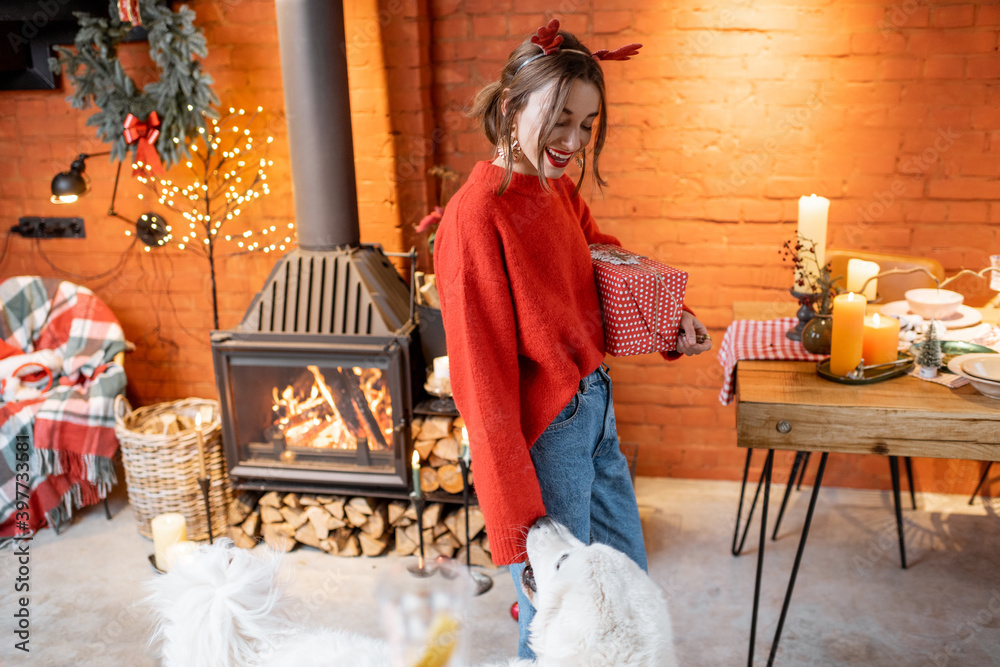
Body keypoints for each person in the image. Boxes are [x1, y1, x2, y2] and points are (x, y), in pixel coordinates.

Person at [432, 19, 712, 659]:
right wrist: (517, 530)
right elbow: (483, 387)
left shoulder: (554, 187)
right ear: (511, 106)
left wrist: (670, 318)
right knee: (561, 629)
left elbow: (599, 258)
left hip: (596, 412)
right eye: (560, 118)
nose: (573, 140)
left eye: (586, 125)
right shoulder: (476, 217)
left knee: (627, 594)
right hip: (547, 439)